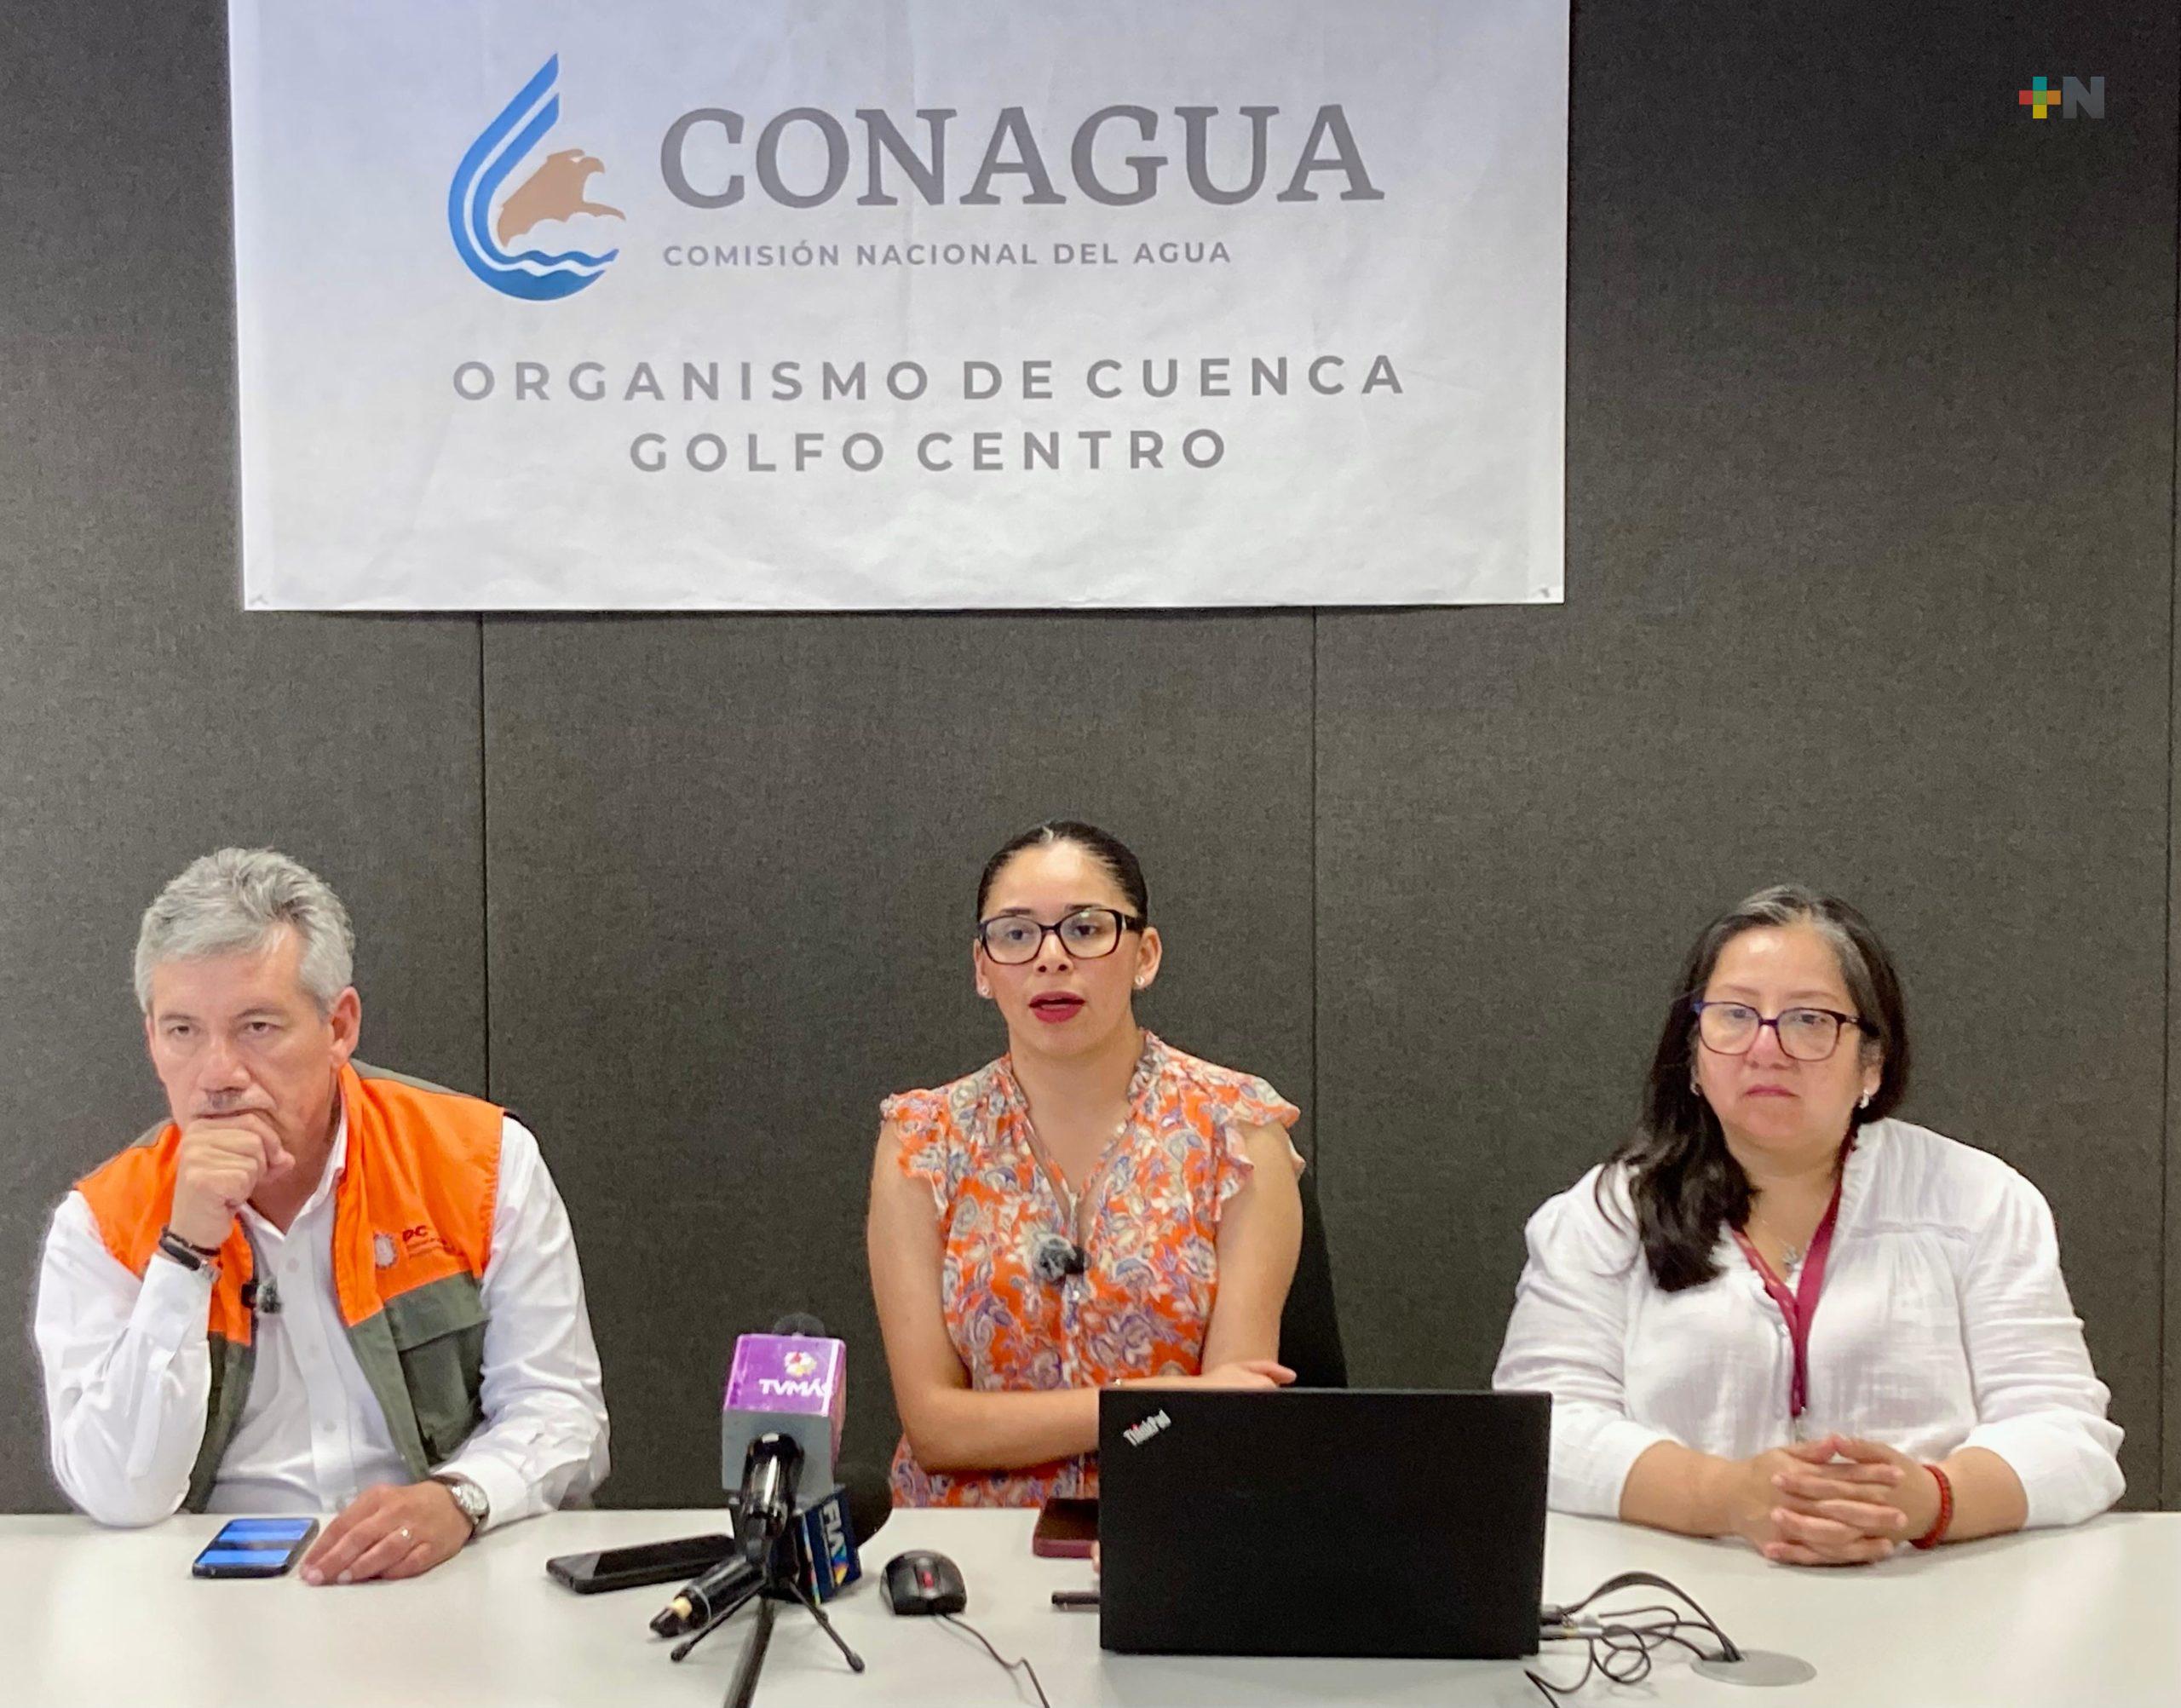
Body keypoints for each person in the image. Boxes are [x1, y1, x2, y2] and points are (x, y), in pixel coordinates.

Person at [1493, 884, 2122, 1564]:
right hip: (1678, 1595)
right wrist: (1727, 1495)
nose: (1767, 1048)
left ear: (1872, 1062)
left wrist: (1928, 1499)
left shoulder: (1979, 1201)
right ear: (1694, 1054)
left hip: (1931, 1588)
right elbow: (1543, 1430)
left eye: (1809, 1020)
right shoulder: (1605, 1214)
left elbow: (2070, 1436)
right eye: (1735, 1014)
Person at [34, 848, 608, 1583]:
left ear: (339, 1026)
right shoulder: (101, 1223)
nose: (218, 1073)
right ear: (151, 1039)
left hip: (448, 1570)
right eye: (183, 1031)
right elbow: (118, 1491)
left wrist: (461, 1497)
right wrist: (184, 1252)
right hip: (209, 1597)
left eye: (257, 1027)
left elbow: (562, 1411)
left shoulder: (481, 1160)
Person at [866, 820, 1304, 1505]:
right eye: (1016, 933)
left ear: (1145, 954)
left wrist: (1174, 1408)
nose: (1050, 958)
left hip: (1168, 1521)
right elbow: (936, 1427)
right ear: (982, 967)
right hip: (963, 1537)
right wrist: (1148, 1401)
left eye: (1086, 928)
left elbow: (1226, 1417)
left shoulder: (1239, 1130)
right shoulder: (923, 1140)